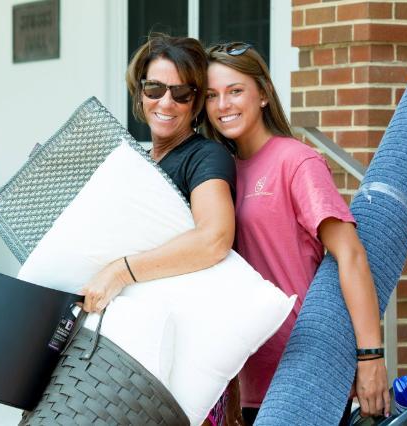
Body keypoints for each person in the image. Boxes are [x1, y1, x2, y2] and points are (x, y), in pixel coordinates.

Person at [203, 42, 390, 425]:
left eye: (235, 90)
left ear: (264, 95)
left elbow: (350, 253)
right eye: (211, 95)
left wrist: (370, 356)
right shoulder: (216, 171)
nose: (223, 105)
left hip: (304, 369)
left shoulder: (295, 160)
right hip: (242, 373)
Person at [80, 34, 236, 338]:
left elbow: (214, 238)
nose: (166, 102)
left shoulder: (205, 156)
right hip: (123, 321)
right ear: (140, 92)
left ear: (197, 102)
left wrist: (120, 271)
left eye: (181, 93)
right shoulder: (138, 160)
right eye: (154, 88)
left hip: (174, 330)